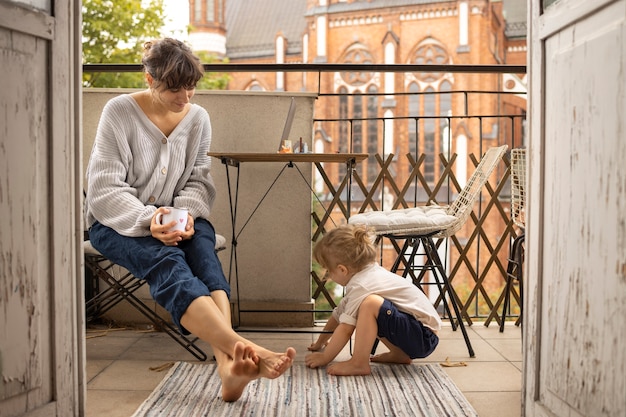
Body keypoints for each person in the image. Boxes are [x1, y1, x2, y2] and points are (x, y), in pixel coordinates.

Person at [85, 38, 295, 401]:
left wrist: (183, 216)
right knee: (167, 259)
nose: (184, 98)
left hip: (180, 221)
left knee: (203, 253)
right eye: (173, 89)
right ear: (149, 79)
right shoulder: (118, 112)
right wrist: (150, 219)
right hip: (115, 223)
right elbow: (103, 188)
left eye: (190, 88)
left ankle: (228, 367)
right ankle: (243, 347)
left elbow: (199, 180)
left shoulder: (198, 119)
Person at [305, 224, 441, 376]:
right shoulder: (364, 278)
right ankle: (400, 354)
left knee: (371, 304)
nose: (328, 276)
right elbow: (338, 315)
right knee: (368, 308)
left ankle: (358, 363)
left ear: (343, 269)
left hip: (423, 337)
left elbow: (345, 329)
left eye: (328, 270)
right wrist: (320, 343)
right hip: (417, 334)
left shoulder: (362, 285)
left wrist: (325, 357)